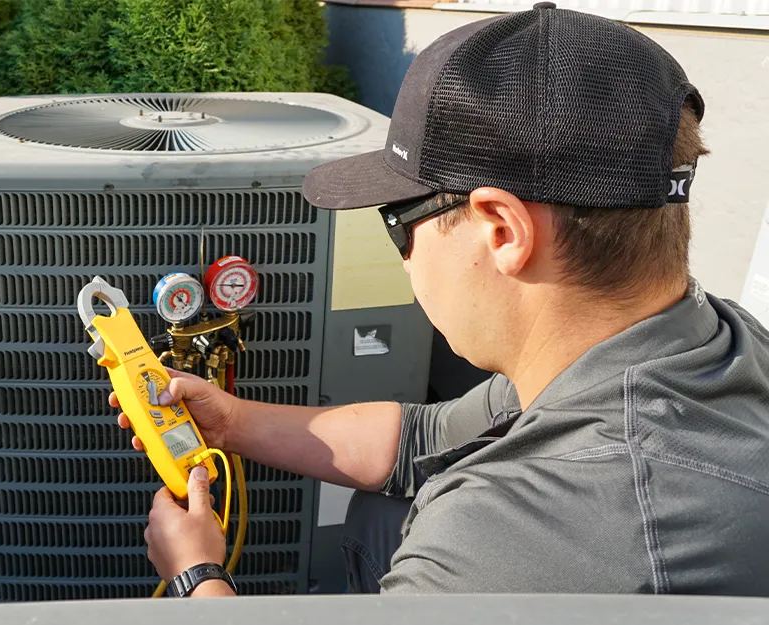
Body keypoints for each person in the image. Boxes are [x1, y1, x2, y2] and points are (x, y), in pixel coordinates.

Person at [114, 2, 769, 597]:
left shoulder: (521, 535)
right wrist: (228, 421)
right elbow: (423, 437)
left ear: (503, 231)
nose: (405, 254)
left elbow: (511, 533)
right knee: (385, 505)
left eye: (398, 217)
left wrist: (197, 576)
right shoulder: (704, 340)